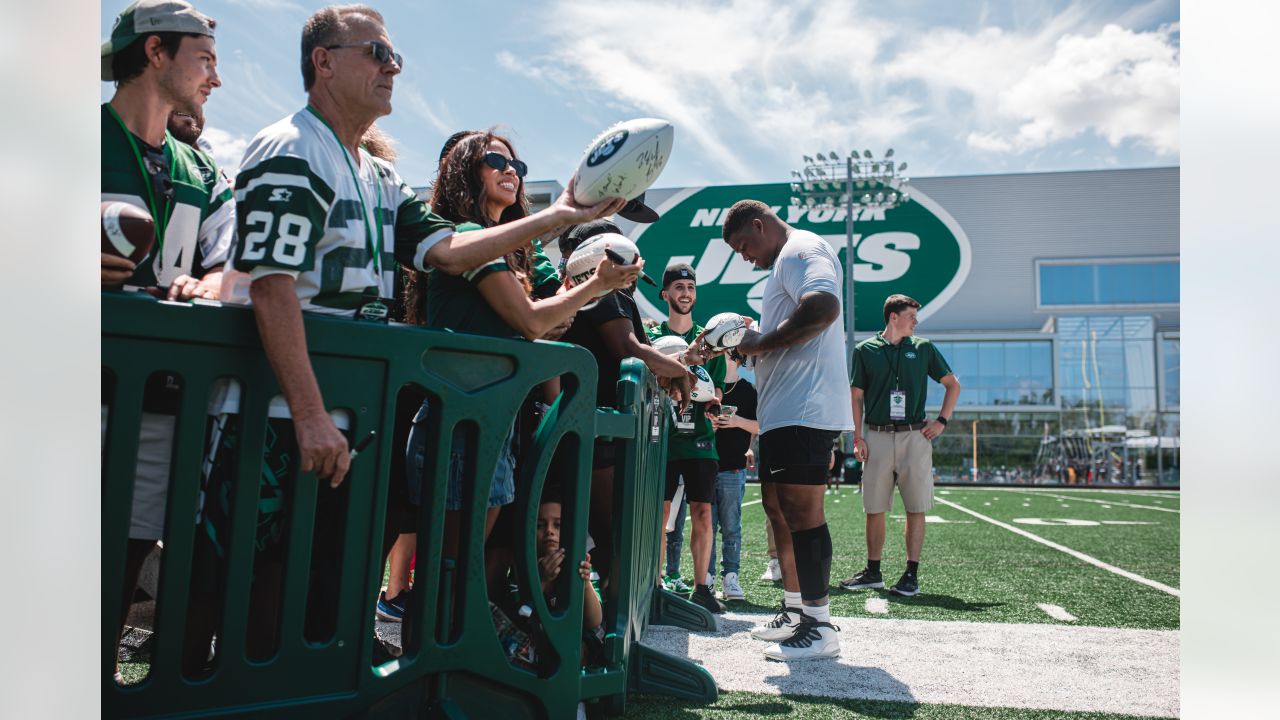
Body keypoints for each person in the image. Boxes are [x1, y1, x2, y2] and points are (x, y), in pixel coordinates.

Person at [226, 4, 627, 658]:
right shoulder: (291, 147)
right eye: (377, 53)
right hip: (286, 410)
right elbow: (272, 287)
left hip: (357, 411)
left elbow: (452, 250)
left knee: (336, 573)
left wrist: (559, 215)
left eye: (396, 55)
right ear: (323, 62)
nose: (394, 66)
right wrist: (307, 414)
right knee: (270, 573)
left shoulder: (379, 174)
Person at [401, 130, 639, 561]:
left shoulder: (518, 246)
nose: (510, 170)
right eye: (496, 160)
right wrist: (591, 288)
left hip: (495, 417)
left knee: (464, 564)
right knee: (448, 568)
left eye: (517, 165)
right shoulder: (468, 234)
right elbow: (533, 321)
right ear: (464, 171)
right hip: (460, 419)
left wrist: (588, 280)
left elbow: (556, 316)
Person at [100, 0, 234, 679]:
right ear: (155, 53)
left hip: (153, 402)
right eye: (205, 59)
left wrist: (212, 284)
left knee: (119, 562)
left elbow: (228, 262)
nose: (215, 77)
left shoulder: (203, 171)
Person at [711, 199, 854, 661]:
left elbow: (824, 307)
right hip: (782, 411)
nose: (744, 256)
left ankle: (819, 625)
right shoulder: (783, 263)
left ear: (759, 224)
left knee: (804, 514)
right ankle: (795, 610)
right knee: (778, 509)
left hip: (804, 407)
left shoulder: (800, 249)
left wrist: (761, 341)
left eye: (743, 245)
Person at [556, 219, 694, 589]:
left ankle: (607, 618)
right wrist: (680, 372)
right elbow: (629, 349)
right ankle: (611, 628)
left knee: (603, 534)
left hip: (587, 422)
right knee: (611, 533)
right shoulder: (606, 292)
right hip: (598, 428)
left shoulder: (578, 291)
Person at [841, 294, 960, 597]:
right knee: (874, 508)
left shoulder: (923, 348)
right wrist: (857, 436)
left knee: (915, 507)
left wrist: (941, 421)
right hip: (876, 435)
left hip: (915, 435)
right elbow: (856, 396)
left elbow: (952, 385)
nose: (916, 322)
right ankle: (873, 572)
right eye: (911, 316)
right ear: (894, 317)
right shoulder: (864, 350)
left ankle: (911, 574)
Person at [647, 264, 726, 614]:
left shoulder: (708, 340)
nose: (685, 293)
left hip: (699, 439)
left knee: (704, 513)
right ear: (665, 294)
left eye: (691, 287)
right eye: (678, 287)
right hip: (660, 437)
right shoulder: (652, 337)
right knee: (657, 515)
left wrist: (713, 404)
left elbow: (717, 391)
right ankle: (656, 585)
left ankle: (702, 588)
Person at [708, 352, 758, 602]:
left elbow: (760, 425)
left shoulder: (748, 390)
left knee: (730, 527)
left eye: (726, 354)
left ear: (737, 358)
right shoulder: (705, 385)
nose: (721, 358)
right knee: (706, 526)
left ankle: (731, 577)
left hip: (733, 467)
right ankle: (706, 578)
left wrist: (737, 421)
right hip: (706, 464)